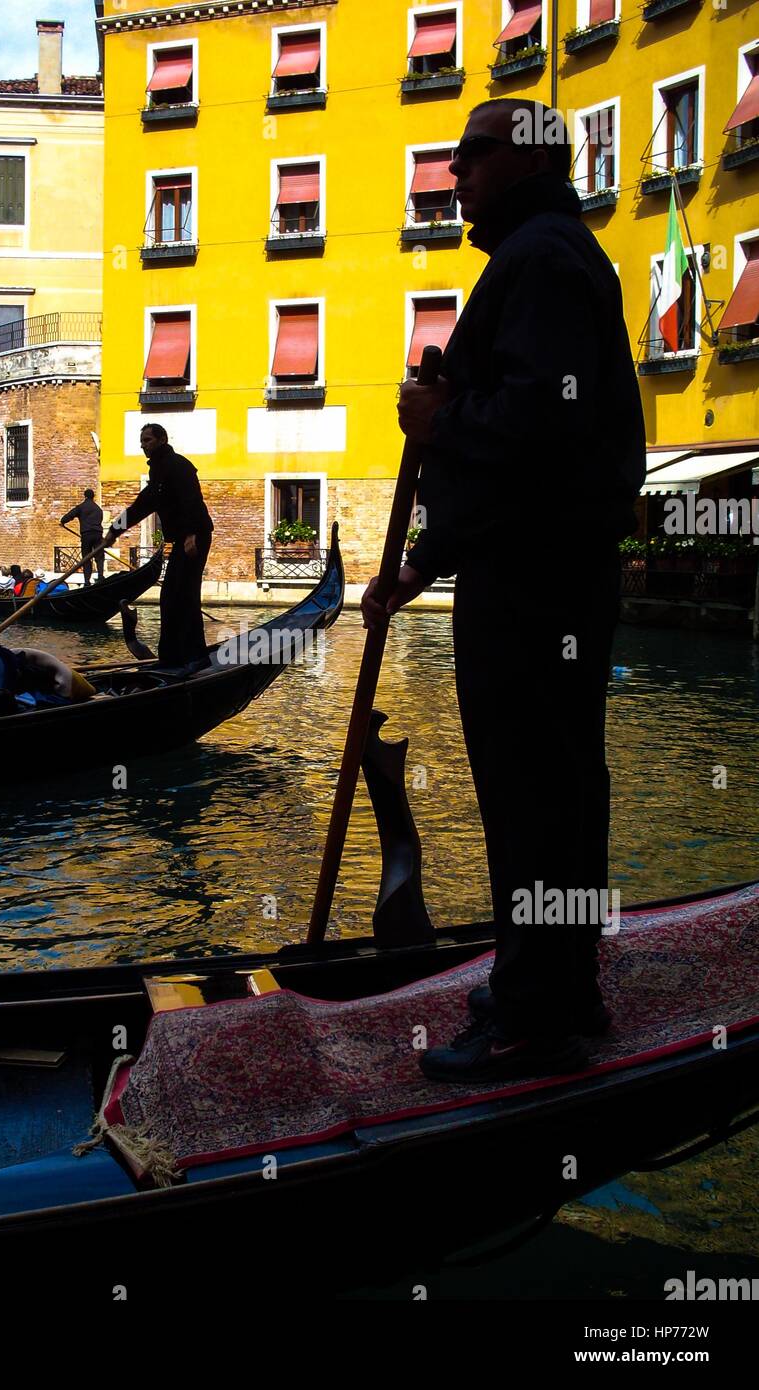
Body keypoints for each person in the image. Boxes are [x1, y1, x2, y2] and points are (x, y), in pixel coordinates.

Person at [362, 98, 645, 1082]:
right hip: (535, 574)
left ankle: (535, 1017)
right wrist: (424, 566)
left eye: (472, 155)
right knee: (555, 793)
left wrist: (441, 421)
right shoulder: (542, 257)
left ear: (525, 159)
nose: (455, 174)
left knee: (536, 797)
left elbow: (538, 433)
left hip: (536, 587)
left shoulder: (543, 263)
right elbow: (519, 457)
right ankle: (557, 983)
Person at [105, 424, 214, 670]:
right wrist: (114, 530)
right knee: (169, 597)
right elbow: (141, 506)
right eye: (142, 441)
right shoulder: (159, 472)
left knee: (184, 596)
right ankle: (172, 658)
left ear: (162, 439)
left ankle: (196, 657)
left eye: (147, 439)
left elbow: (191, 500)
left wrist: (190, 534)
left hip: (195, 537)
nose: (143, 445)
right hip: (184, 539)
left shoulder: (179, 466)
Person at [60, 488, 105, 585]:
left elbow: (70, 515)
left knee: (86, 558)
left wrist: (63, 521)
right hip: (98, 534)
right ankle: (101, 577)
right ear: (93, 497)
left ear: (85, 496)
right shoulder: (98, 509)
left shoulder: (81, 507)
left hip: (86, 535)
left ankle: (87, 581)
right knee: (99, 557)